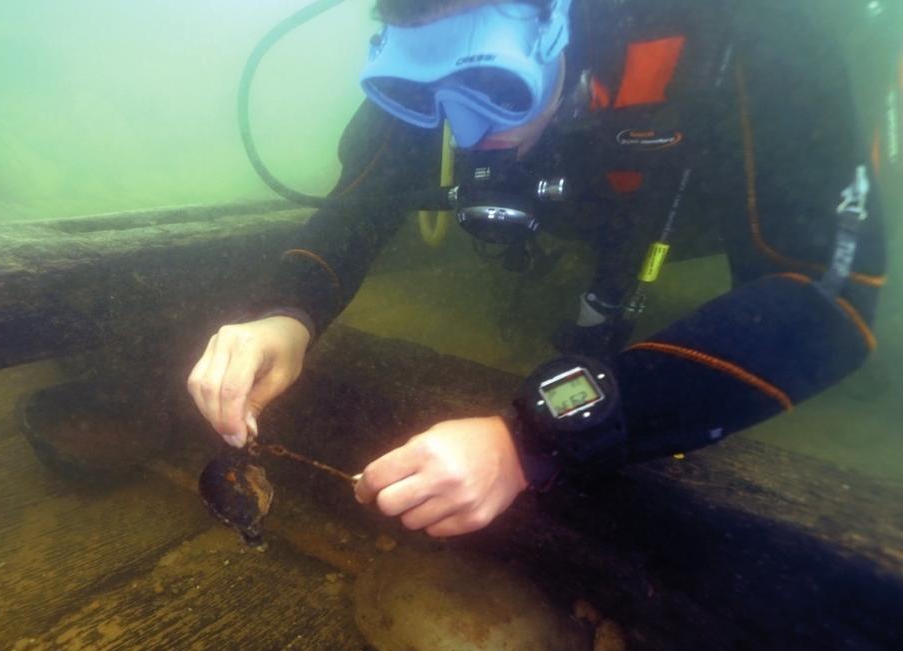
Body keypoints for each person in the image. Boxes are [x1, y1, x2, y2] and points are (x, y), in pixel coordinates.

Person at [188, 0, 887, 538]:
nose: (463, 132)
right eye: (418, 87)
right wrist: (286, 311)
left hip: (721, 185)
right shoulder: (443, 23)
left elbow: (833, 300)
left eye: (492, 82)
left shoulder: (757, 28)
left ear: (557, 23)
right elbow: (361, 198)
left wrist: (530, 437)